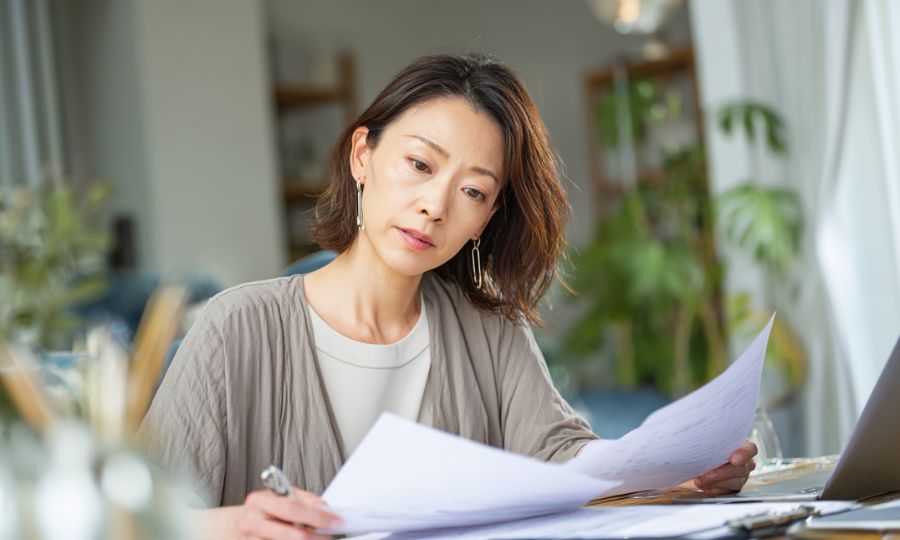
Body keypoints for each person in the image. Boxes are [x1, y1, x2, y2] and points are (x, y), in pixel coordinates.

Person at [139, 53, 757, 540]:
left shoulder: (491, 329)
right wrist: (230, 526)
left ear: (484, 220)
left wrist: (675, 472)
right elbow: (129, 519)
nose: (435, 205)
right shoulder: (235, 329)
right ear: (363, 155)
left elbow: (564, 458)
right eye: (419, 164)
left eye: (473, 192)